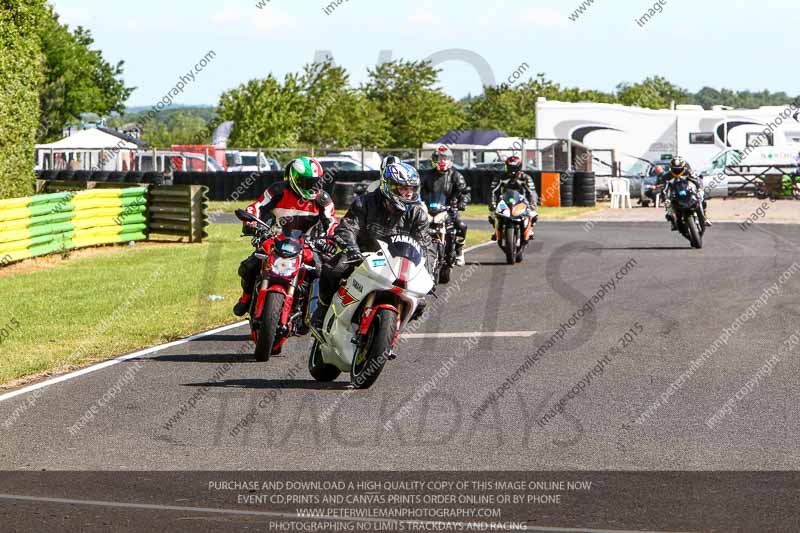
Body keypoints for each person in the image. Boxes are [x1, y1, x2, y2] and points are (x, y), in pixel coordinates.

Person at [312, 162, 434, 329]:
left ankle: (389, 332)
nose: (408, 194)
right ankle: (322, 310)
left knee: (420, 303)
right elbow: (347, 228)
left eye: (412, 189)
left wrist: (429, 272)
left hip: (397, 263)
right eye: (403, 188)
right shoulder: (364, 203)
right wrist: (352, 249)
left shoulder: (417, 213)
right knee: (333, 269)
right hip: (362, 255)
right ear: (389, 186)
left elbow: (425, 245)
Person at [233, 157, 336, 317]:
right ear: (294, 178)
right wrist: (252, 222)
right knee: (249, 266)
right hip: (275, 238)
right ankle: (246, 297)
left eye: (316, 182)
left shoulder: (323, 199)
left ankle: (316, 312)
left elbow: (332, 223)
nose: (312, 186)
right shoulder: (277, 190)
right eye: (307, 182)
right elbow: (256, 206)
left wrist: (330, 239)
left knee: (322, 272)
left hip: (307, 244)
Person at [420, 145, 470, 266]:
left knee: (461, 226)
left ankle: (459, 251)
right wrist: (417, 202)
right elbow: (417, 190)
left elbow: (465, 192)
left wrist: (462, 202)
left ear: (450, 160)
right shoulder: (427, 175)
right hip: (430, 208)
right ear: (434, 160)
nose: (442, 161)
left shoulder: (456, 175)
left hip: (449, 208)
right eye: (439, 158)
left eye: (445, 158)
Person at [489, 156, 539, 240]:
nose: (512, 171)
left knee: (533, 214)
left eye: (514, 168)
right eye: (510, 167)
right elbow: (492, 191)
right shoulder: (501, 177)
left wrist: (532, 205)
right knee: (492, 215)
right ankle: (497, 230)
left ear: (519, 167)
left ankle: (529, 229)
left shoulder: (526, 177)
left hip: (521, 202)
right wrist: (492, 204)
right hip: (504, 201)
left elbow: (532, 192)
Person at [662, 156, 712, 230]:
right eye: (675, 169)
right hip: (675, 193)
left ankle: (704, 216)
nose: (677, 171)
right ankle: (674, 222)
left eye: (679, 169)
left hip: (688, 191)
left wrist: (699, 189)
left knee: (702, 199)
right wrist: (665, 198)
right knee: (669, 208)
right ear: (671, 168)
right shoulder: (667, 176)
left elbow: (697, 181)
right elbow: (664, 189)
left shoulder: (688, 172)